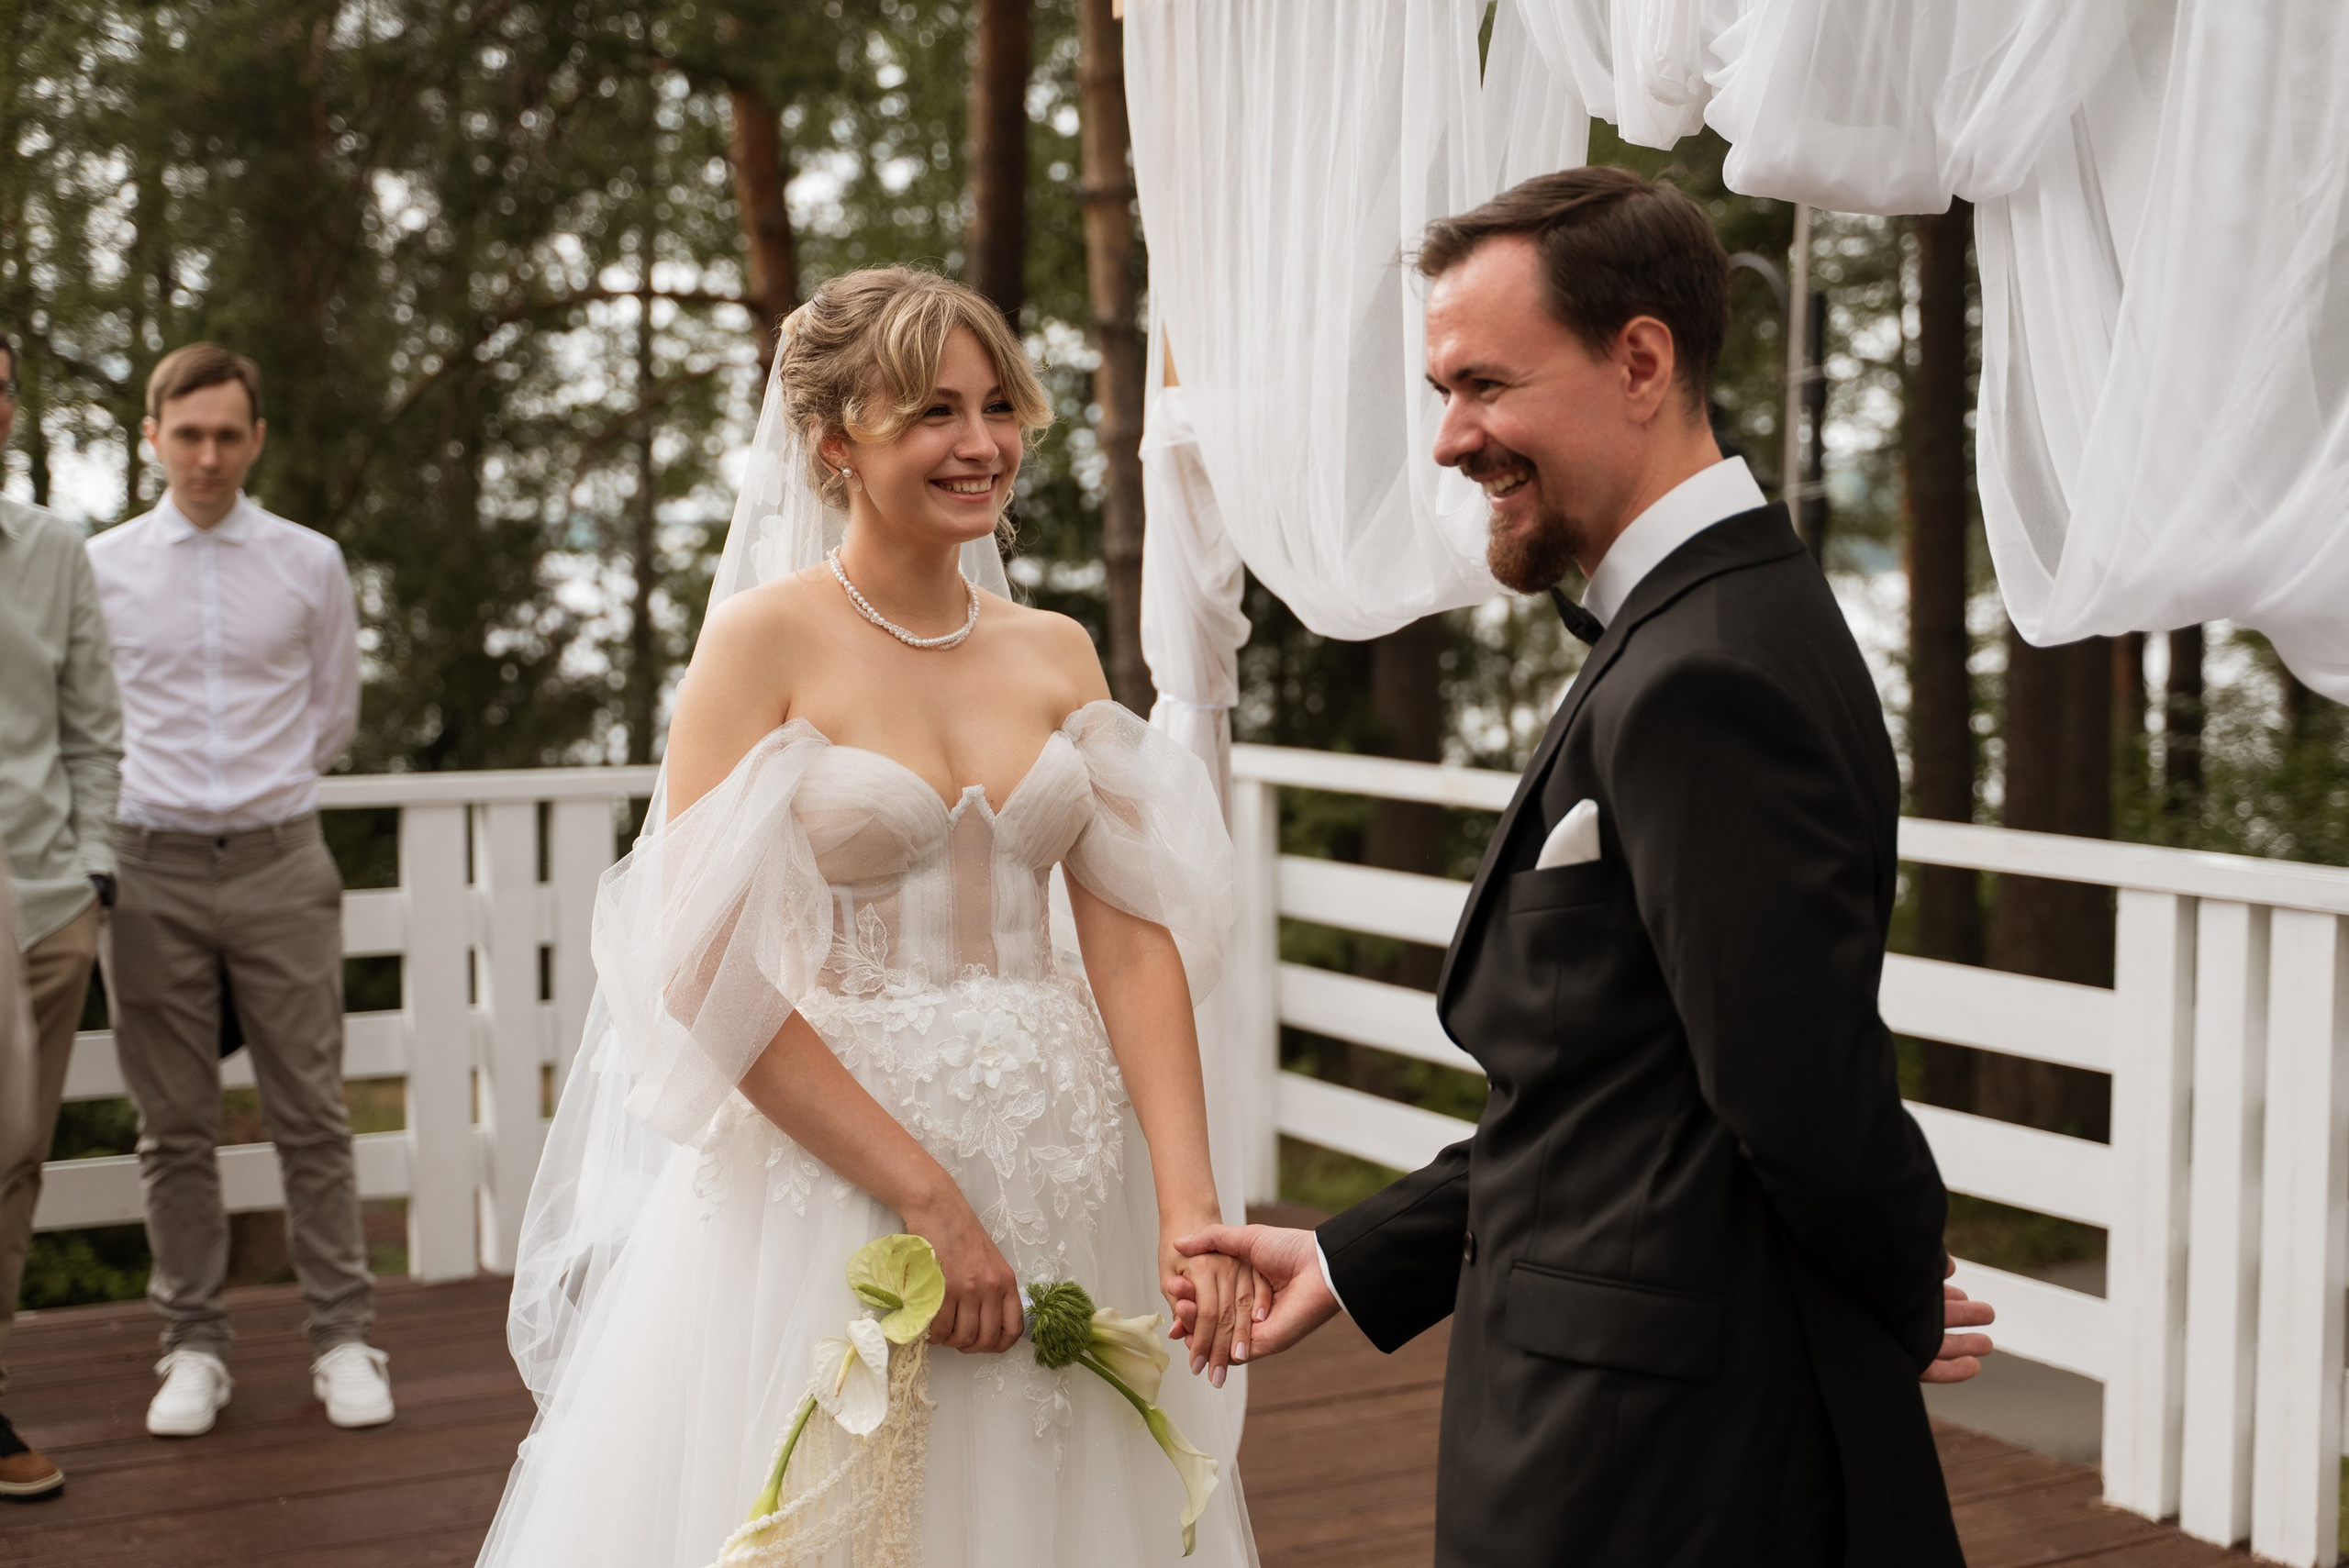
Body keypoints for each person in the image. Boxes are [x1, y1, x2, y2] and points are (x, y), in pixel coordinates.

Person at [1174, 167, 1996, 1566]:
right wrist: (1350, 1253)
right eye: (1442, 390)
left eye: (1484, 383)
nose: (1450, 439)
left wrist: (1896, 1282)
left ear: (1641, 360)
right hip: (1631, 1409)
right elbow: (1624, 1085)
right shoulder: (1696, 624)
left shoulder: (1709, 671)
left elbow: (1798, 1094)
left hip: (1654, 1460)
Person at [476, 267, 1260, 1567]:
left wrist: (1191, 1203)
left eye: (997, 404)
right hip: (839, 1180)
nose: (981, 443)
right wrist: (928, 1200)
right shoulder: (759, 647)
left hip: (1064, 1162)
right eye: (933, 413)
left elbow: (1128, 940)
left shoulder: (1057, 649)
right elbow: (700, 966)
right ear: (835, 441)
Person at [85, 343, 390, 1439]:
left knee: (310, 1112)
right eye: (187, 432)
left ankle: (345, 1335)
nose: (207, 453)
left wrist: (254, 796)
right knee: (172, 1125)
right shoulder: (102, 566)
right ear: (152, 436)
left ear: (255, 440)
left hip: (277, 859)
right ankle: (193, 1346)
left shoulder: (310, 562)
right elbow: (88, 719)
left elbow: (332, 714)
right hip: (149, 865)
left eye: (227, 433)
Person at [0, 328, 123, 1501]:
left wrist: (90, 873)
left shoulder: (51, 551)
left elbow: (91, 723)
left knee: (12, 1158)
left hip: (40, 901)